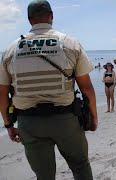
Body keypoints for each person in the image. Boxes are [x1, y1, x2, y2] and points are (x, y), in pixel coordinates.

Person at [0, 1, 98, 179]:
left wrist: (8, 125)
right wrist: (93, 117)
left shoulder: (10, 50)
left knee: (44, 175)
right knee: (80, 166)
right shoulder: (69, 43)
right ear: (51, 16)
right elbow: (87, 88)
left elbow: (2, 94)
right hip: (66, 120)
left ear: (29, 20)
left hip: (29, 123)